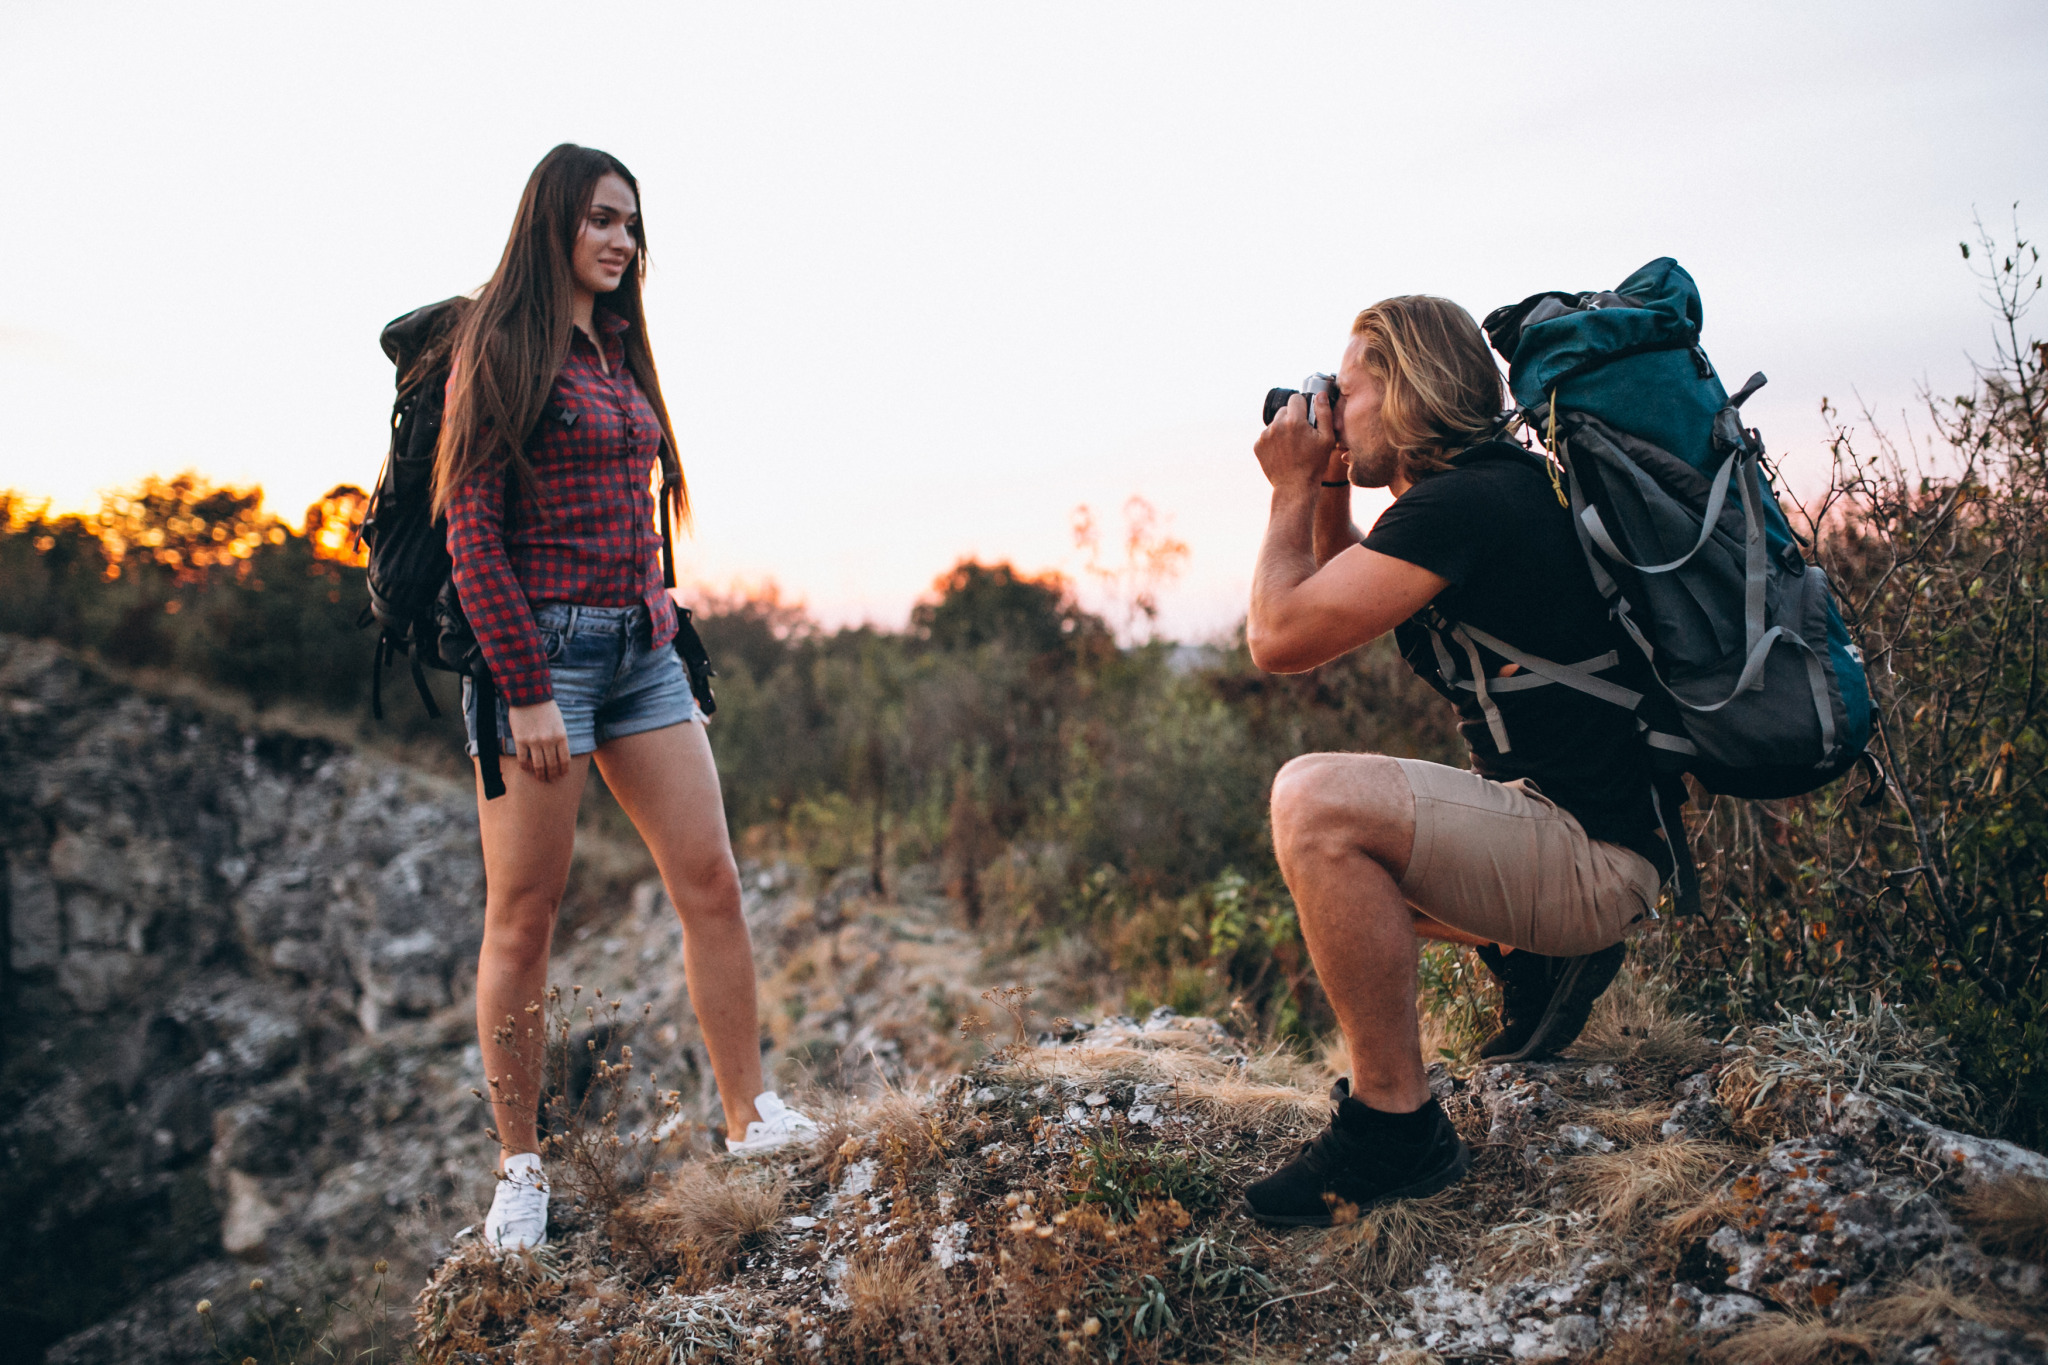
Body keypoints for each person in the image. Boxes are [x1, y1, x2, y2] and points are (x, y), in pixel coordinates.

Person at [433, 144, 816, 1251]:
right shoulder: (499, 348)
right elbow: (471, 533)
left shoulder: (615, 349)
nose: (621, 242)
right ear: (553, 221)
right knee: (525, 915)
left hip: (641, 650)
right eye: (603, 220)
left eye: (632, 226)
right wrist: (523, 689)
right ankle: (519, 1171)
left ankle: (749, 1119)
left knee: (712, 878)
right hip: (537, 660)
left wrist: (657, 616)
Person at [1239, 295, 1669, 1227]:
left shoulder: (1468, 501)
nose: (1328, 413)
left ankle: (1393, 1126)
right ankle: (1528, 957)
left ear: (1405, 391)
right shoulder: (1483, 490)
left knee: (1314, 803)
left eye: (1342, 391)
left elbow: (1280, 635)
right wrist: (1325, 489)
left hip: (1591, 857)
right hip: (1582, 831)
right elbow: (1345, 581)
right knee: (1339, 833)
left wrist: (1285, 491)